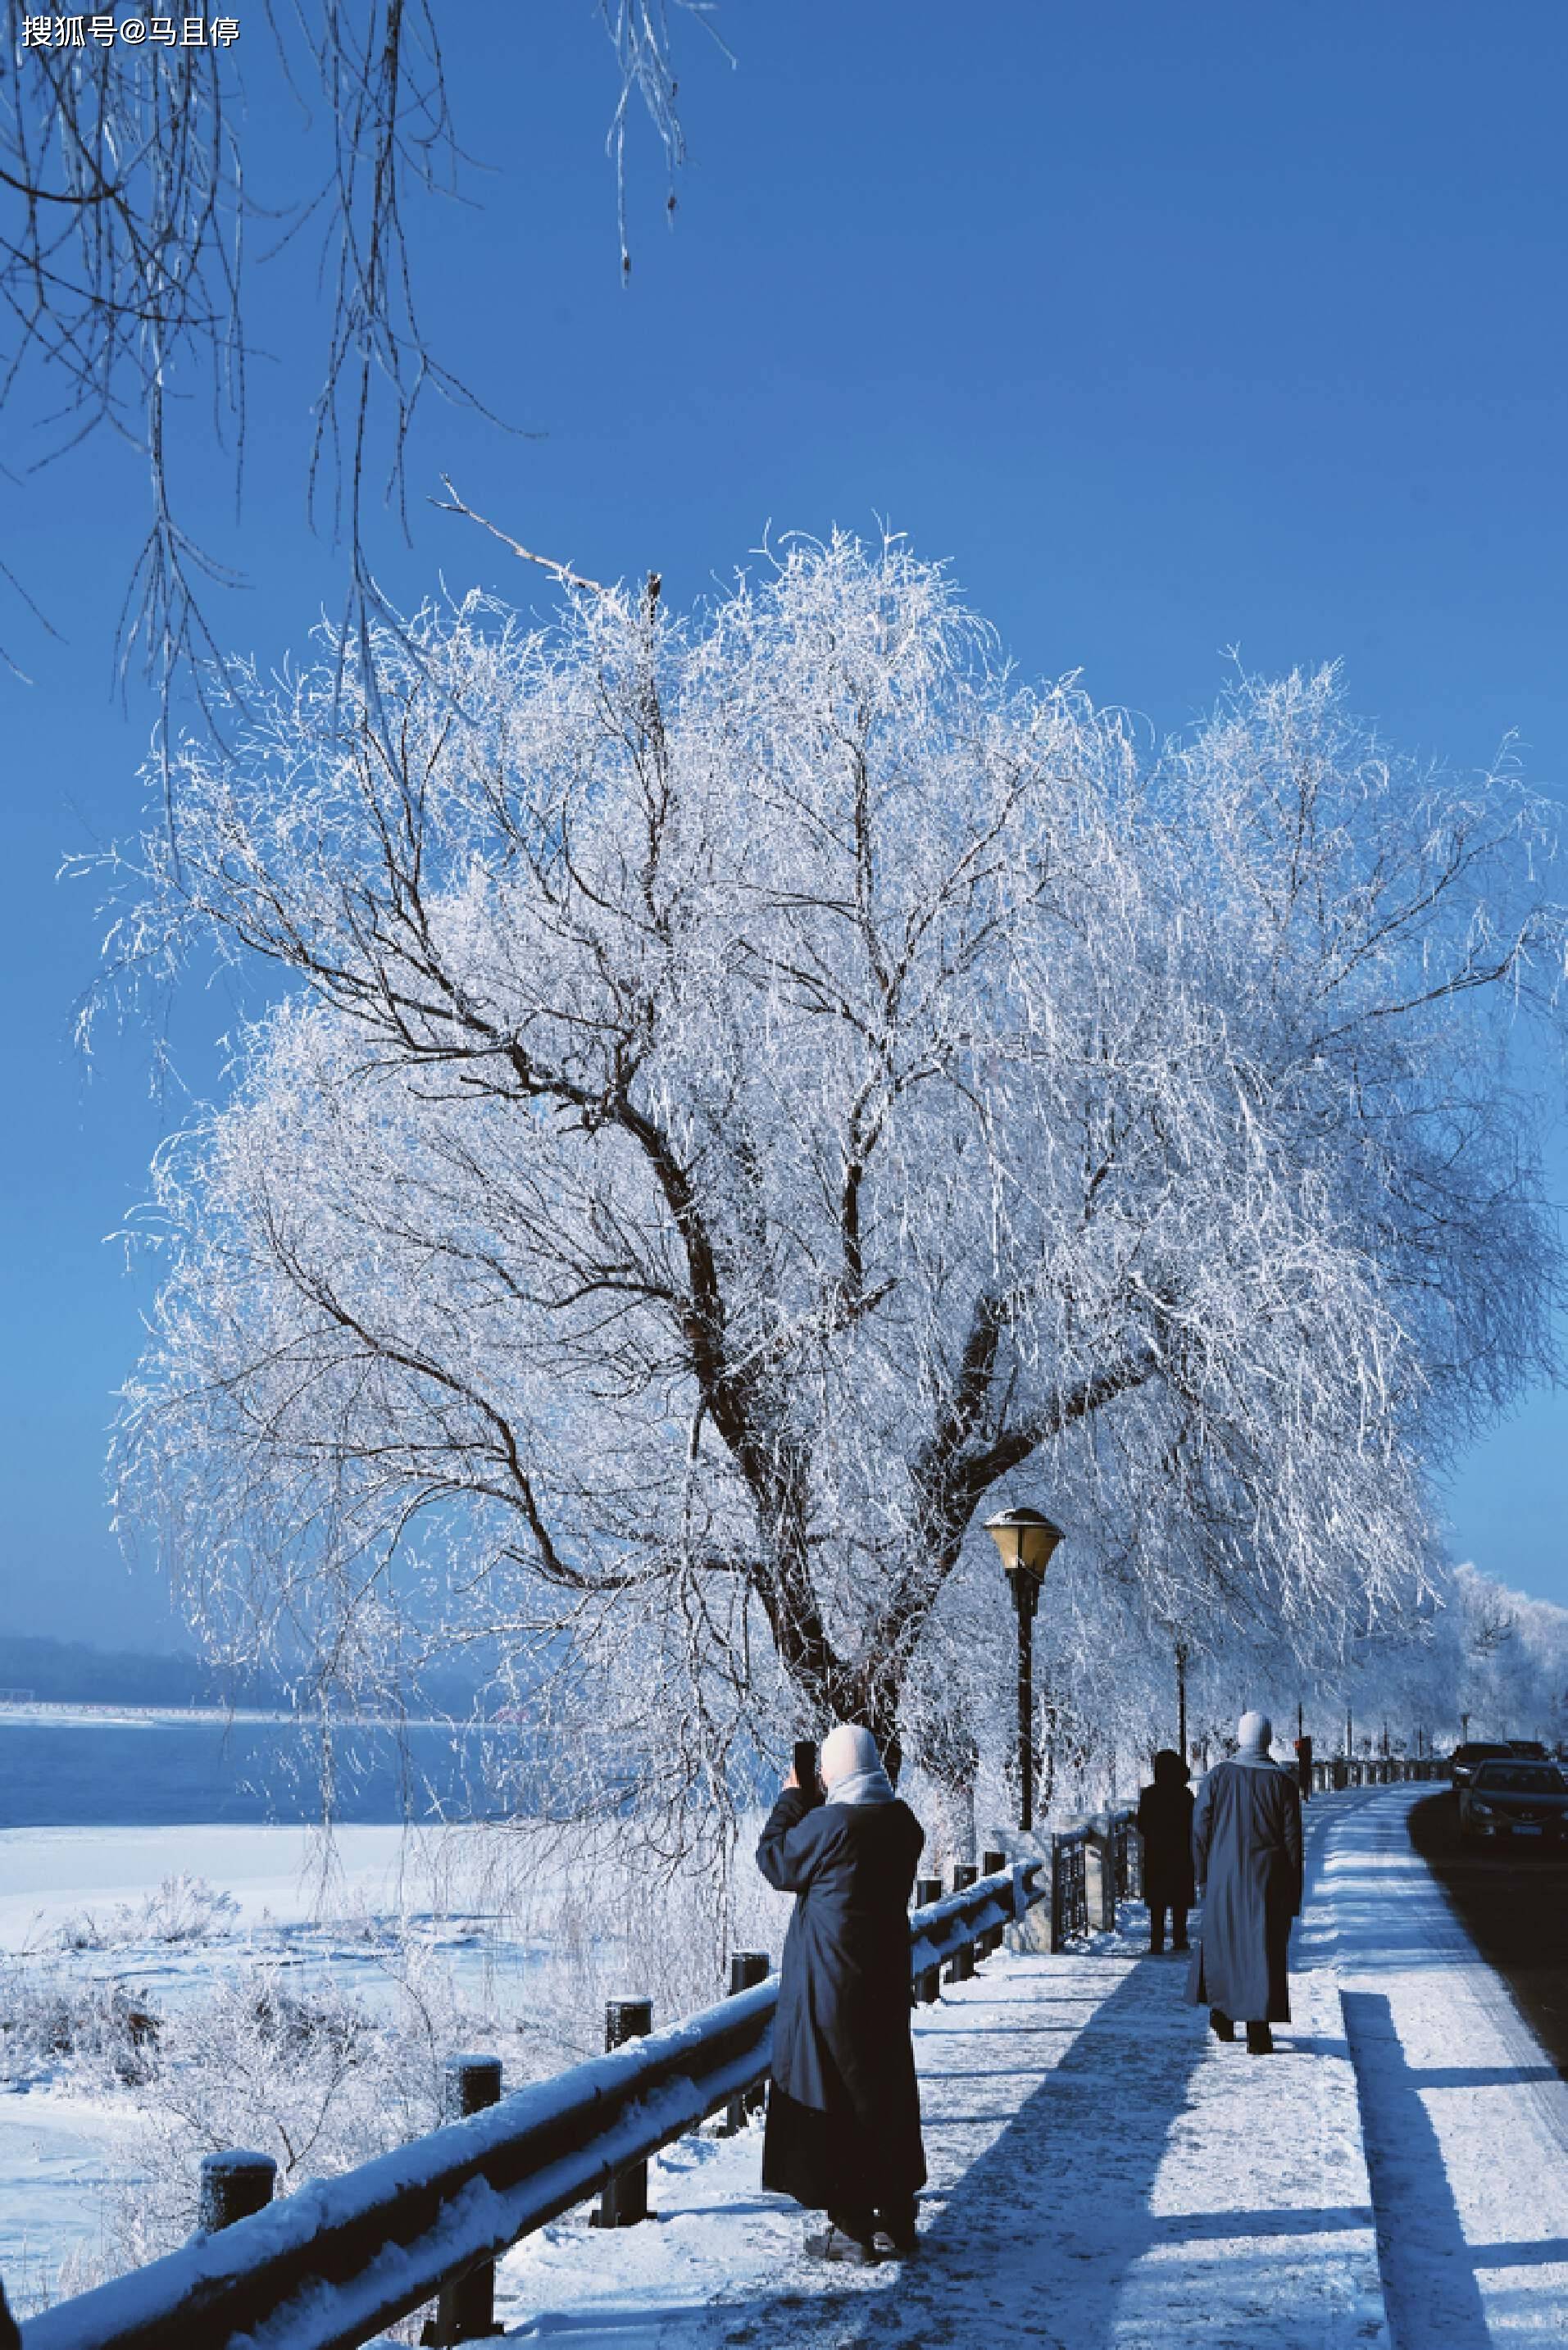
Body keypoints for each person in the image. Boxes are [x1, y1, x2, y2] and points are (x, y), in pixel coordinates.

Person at [756, 1723, 927, 2265]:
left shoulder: (833, 1824)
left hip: (831, 1986)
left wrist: (790, 1798)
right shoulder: (901, 1822)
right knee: (887, 2094)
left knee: (837, 2097)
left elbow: (776, 1860)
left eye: (827, 1767)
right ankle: (898, 2217)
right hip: (884, 1980)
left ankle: (851, 2226)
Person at [1188, 1708, 1303, 2054]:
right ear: (1267, 1739)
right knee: (1262, 1950)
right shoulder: (1282, 1783)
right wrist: (1293, 1890)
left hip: (1223, 1875)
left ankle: (1223, 2017)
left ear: (1240, 1738)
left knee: (1223, 1946)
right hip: (1267, 1880)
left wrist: (1202, 1873)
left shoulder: (1218, 1777)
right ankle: (1259, 2029)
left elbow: (1200, 1829)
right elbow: (1293, 1841)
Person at [1137, 1747, 1195, 1954]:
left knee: (1158, 1902)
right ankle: (1180, 1939)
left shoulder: (1149, 1795)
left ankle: (1157, 1941)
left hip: (1156, 1855)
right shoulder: (1185, 1795)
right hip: (1180, 1854)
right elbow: (1193, 1824)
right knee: (1179, 1901)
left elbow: (1141, 1824)